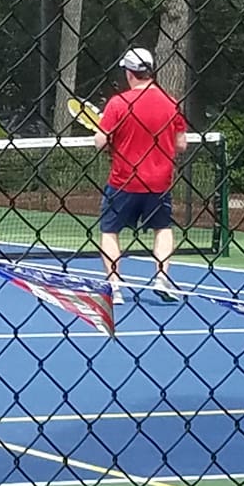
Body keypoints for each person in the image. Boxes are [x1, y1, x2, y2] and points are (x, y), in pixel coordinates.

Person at [94, 47, 188, 302]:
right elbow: (181, 145)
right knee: (163, 228)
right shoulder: (171, 104)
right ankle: (162, 278)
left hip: (123, 181)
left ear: (129, 73)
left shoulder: (118, 103)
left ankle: (114, 287)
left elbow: (100, 142)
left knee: (109, 231)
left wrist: (107, 130)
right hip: (159, 183)